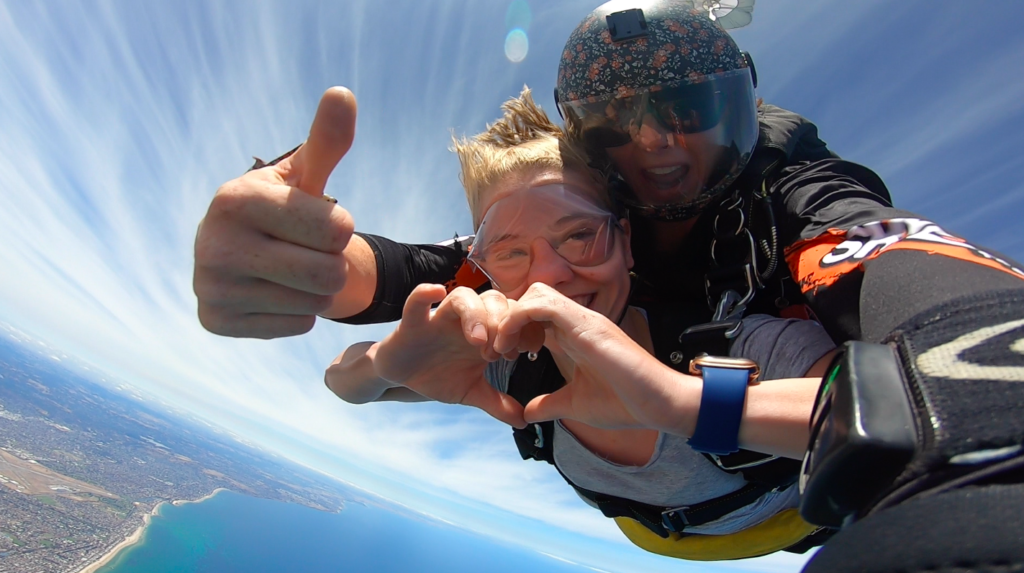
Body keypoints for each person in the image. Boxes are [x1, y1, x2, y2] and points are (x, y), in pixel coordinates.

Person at [193, 1, 1024, 570]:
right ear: (591, 154)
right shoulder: (538, 272)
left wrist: (981, 423)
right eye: (620, 120)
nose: (658, 139)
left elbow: (899, 269)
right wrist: (295, 257)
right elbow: (422, 275)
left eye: (689, 105)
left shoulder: (792, 204)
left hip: (784, 500)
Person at [325, 88, 837, 560]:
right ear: (482, 270)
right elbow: (344, 381)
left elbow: (894, 399)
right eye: (510, 253)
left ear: (626, 241)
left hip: (797, 523)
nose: (548, 277)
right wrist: (382, 362)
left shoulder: (733, 351)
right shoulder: (512, 363)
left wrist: (679, 401)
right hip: (658, 533)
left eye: (578, 237)